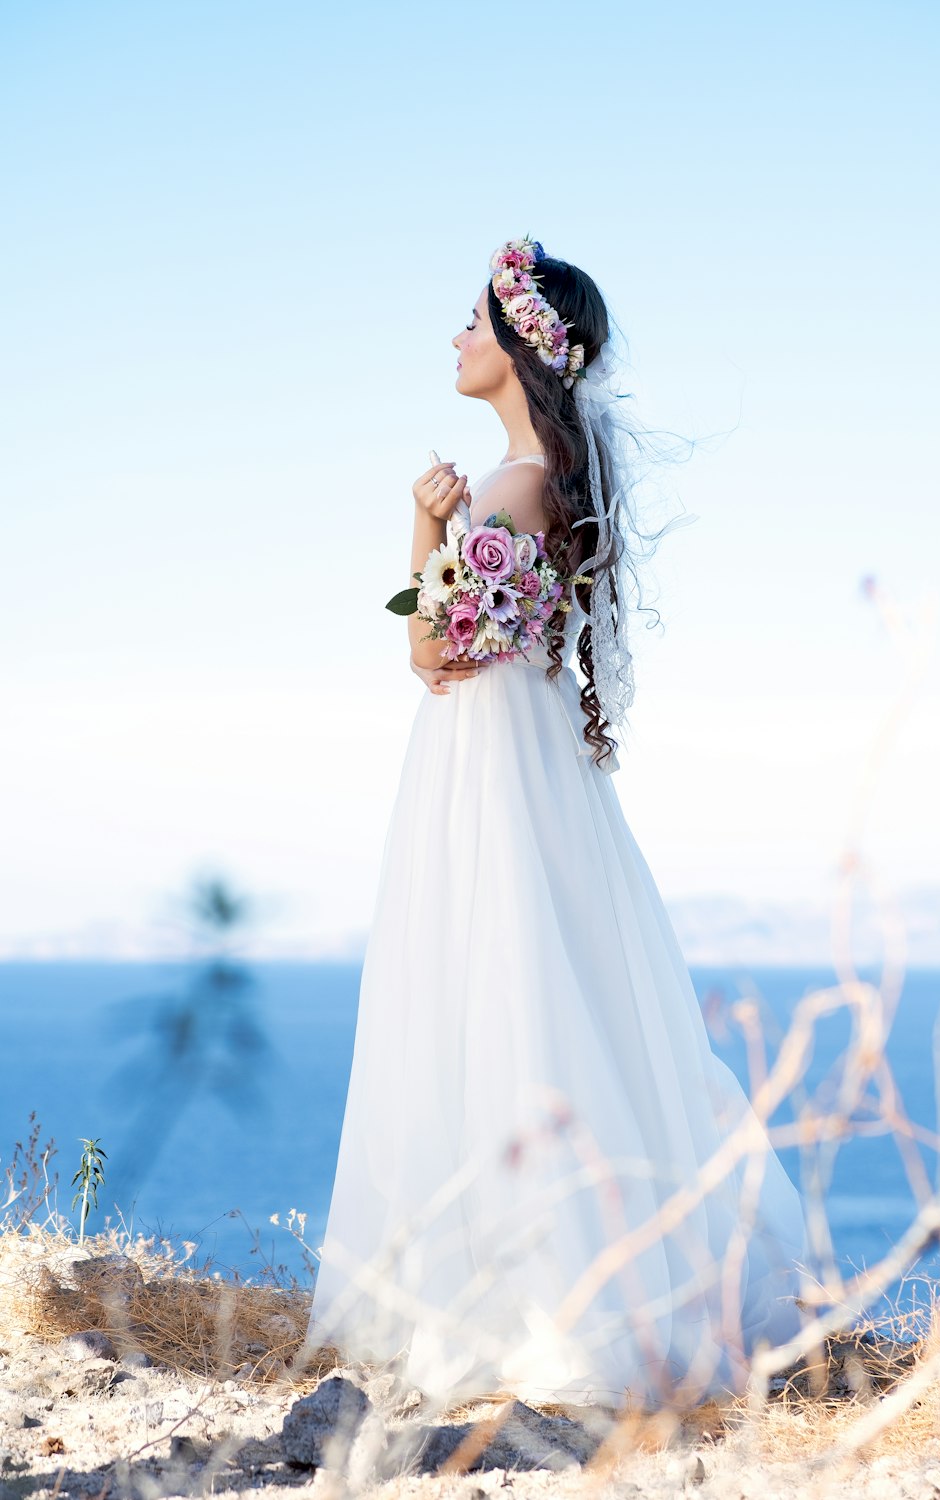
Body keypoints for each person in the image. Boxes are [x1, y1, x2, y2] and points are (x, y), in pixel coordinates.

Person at [304, 236, 810, 1413]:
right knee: (546, 998)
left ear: (524, 340)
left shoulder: (509, 489)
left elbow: (433, 658)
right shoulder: (552, 483)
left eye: (472, 321)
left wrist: (423, 527)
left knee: (494, 1000)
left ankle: (535, 1304)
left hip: (487, 772)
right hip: (527, 770)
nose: (454, 337)